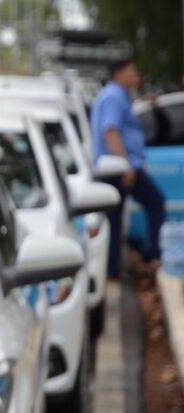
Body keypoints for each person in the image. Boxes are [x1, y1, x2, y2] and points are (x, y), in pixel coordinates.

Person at [90, 59, 166, 277]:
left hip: (115, 166)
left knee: (114, 220)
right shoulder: (114, 96)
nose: (136, 75)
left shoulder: (115, 95)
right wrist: (126, 165)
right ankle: (155, 257)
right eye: (132, 71)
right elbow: (110, 131)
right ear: (118, 73)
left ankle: (112, 268)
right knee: (155, 201)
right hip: (119, 167)